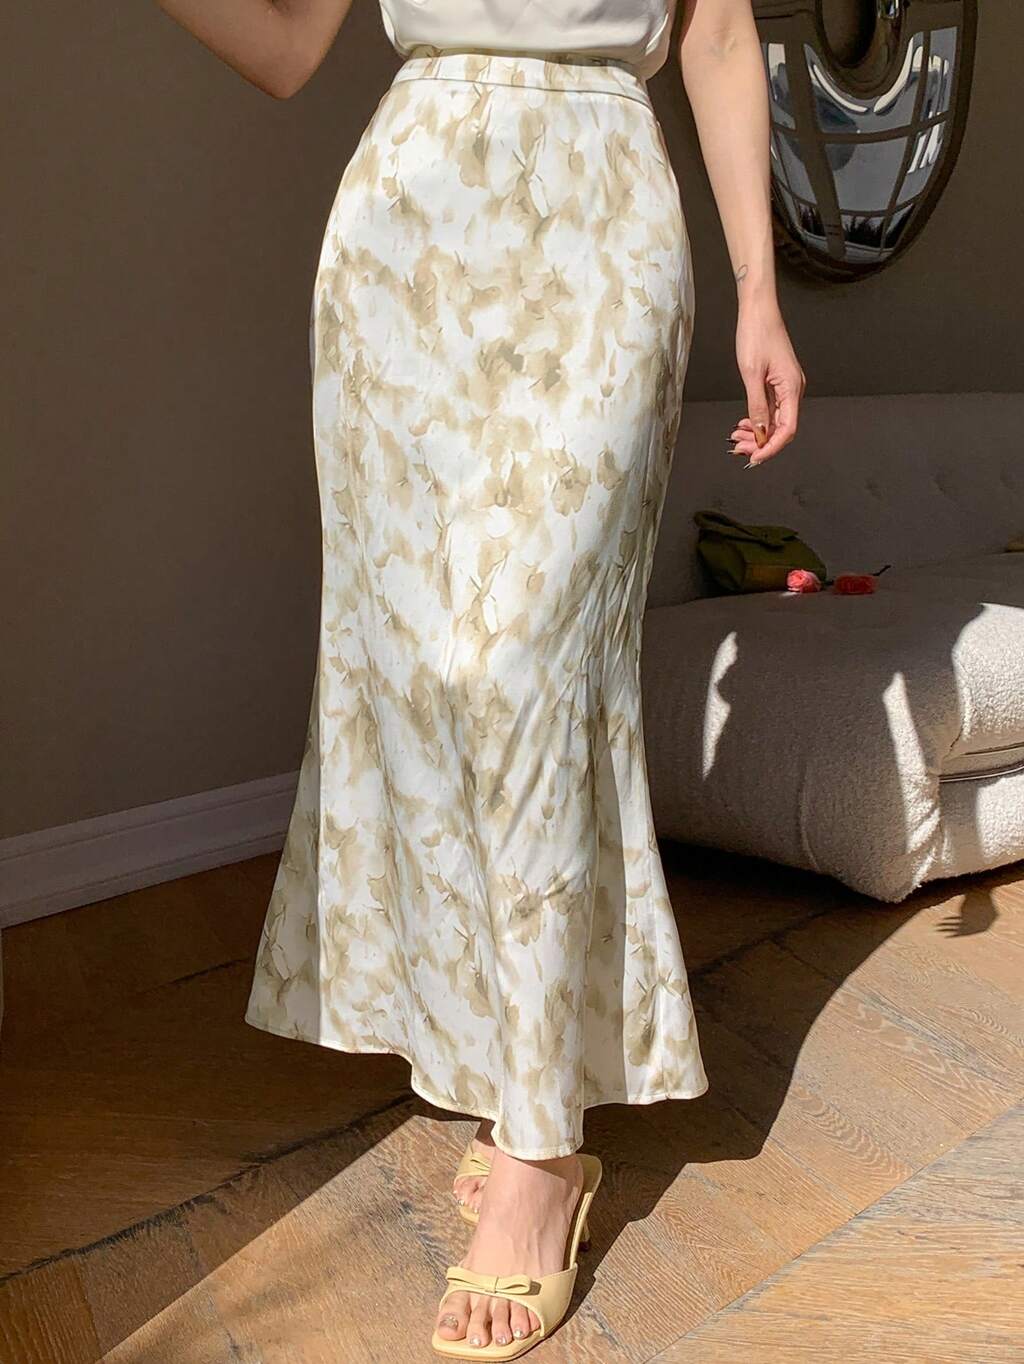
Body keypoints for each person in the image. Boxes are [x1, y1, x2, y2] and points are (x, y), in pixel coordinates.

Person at [157, 0, 805, 1356]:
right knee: (429, 679)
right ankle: (505, 1066)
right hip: (409, 228)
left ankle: (543, 1151)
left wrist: (758, 287)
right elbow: (287, 46)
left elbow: (717, 35)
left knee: (530, 669)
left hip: (604, 211)